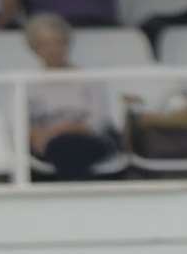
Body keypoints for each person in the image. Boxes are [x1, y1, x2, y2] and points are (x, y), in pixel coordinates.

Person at [25, 12, 121, 180]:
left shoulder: (89, 80)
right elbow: (22, 123)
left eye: (58, 42)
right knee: (60, 149)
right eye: (45, 44)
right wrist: (36, 135)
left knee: (68, 147)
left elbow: (97, 123)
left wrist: (56, 131)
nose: (53, 49)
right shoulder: (28, 84)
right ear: (34, 48)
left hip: (89, 140)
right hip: (48, 144)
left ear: (67, 43)